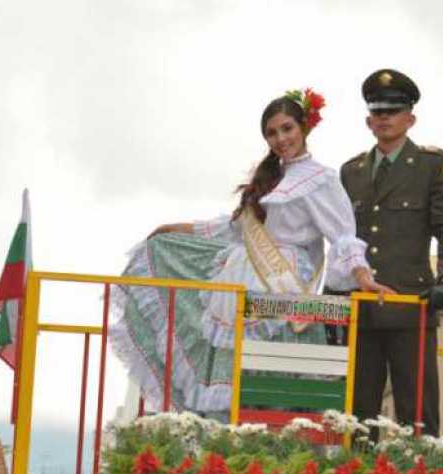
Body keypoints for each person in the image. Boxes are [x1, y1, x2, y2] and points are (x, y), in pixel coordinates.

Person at [108, 89, 393, 415]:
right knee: (235, 361)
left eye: (287, 128)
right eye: (272, 133)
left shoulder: (321, 179)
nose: (281, 138)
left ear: (303, 127)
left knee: (272, 364)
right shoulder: (270, 176)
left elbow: (342, 237)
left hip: (283, 280)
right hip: (242, 273)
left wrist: (363, 277)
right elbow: (233, 228)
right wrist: (176, 228)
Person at [337, 69, 443, 436]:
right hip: (361, 308)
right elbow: (343, 237)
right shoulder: (352, 172)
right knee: (358, 416)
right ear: (368, 121)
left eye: (393, 111)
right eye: (378, 112)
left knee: (418, 413)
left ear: (410, 118)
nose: (385, 118)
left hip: (412, 303)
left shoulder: (433, 165)